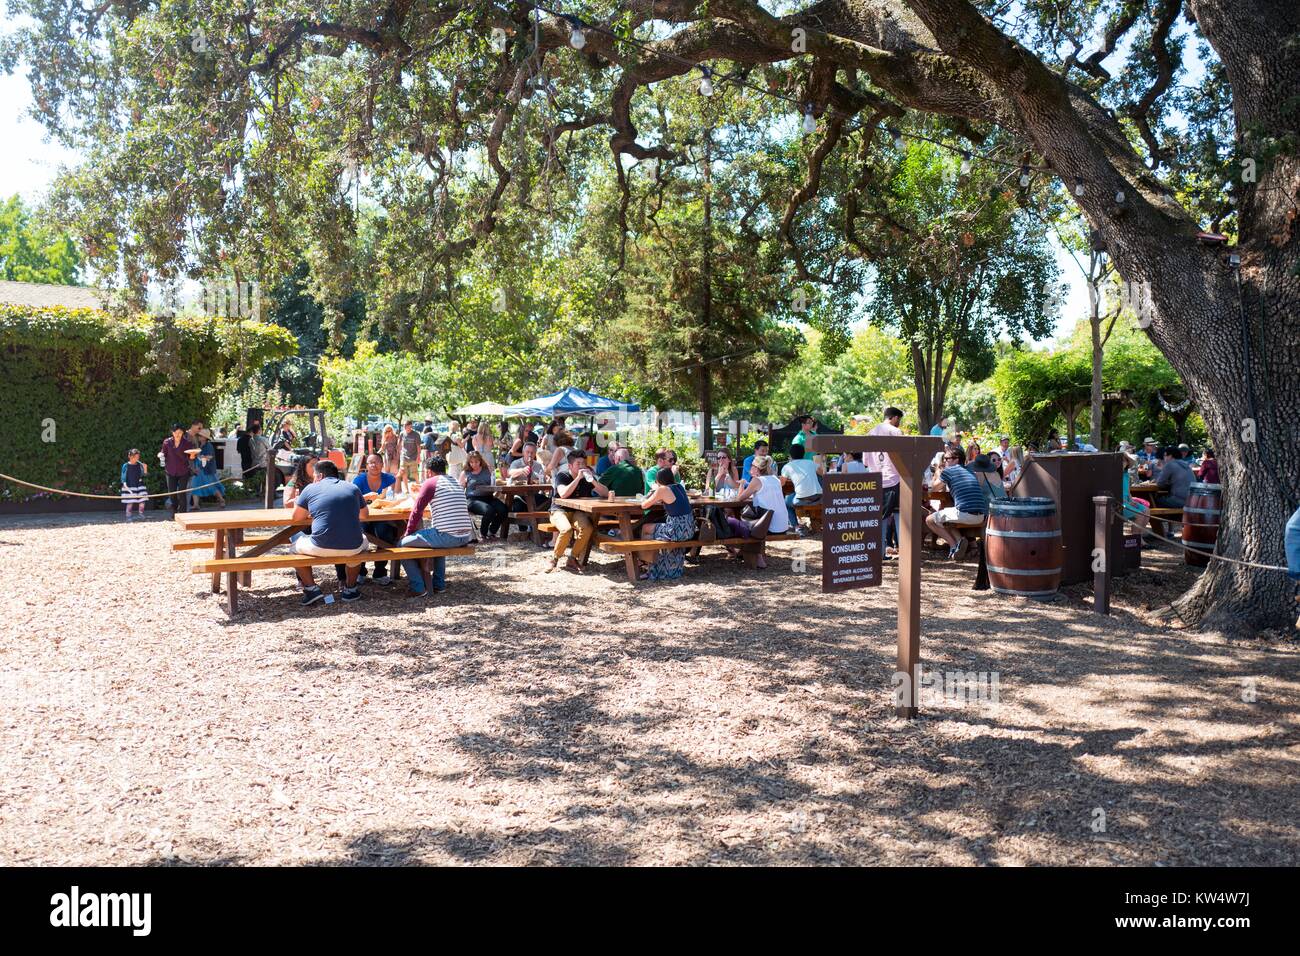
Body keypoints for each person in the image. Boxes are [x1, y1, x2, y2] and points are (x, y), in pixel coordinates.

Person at [291, 460, 368, 606]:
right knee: (361, 546)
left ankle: (311, 588)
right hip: (352, 546)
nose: (313, 479)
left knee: (294, 547)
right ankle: (350, 589)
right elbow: (364, 515)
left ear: (319, 476)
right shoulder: (353, 487)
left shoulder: (310, 488)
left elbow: (296, 518)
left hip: (320, 546)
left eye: (314, 476)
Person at [399, 456, 474, 597]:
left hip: (448, 536)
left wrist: (407, 532)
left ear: (429, 472)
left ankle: (418, 587)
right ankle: (439, 585)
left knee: (401, 545)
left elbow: (417, 511)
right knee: (438, 544)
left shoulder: (431, 483)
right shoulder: (454, 481)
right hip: (465, 536)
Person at [547, 450, 609, 573]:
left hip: (577, 511)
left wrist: (592, 481)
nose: (582, 466)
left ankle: (572, 558)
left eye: (583, 463)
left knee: (588, 528)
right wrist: (578, 478)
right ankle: (554, 559)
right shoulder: (563, 476)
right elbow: (563, 494)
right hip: (559, 510)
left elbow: (605, 493)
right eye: (578, 463)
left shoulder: (587, 478)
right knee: (566, 530)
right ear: (570, 466)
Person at [636, 467, 698, 581]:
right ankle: (654, 564)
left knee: (646, 528)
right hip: (689, 529)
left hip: (676, 530)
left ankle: (646, 564)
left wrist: (650, 495)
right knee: (654, 526)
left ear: (659, 480)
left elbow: (644, 505)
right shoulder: (679, 487)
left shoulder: (662, 489)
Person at [925, 447, 987, 559]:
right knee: (948, 519)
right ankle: (959, 543)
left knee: (929, 520)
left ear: (956, 459)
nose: (944, 461)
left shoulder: (949, 471)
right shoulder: (970, 471)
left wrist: (939, 473)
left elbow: (933, 488)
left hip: (965, 513)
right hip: (981, 515)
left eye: (947, 458)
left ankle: (954, 546)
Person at [348, 454, 400, 584]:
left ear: (382, 464)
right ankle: (360, 571)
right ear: (366, 466)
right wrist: (365, 497)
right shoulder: (359, 480)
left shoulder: (390, 479)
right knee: (358, 536)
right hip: (362, 517)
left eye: (377, 462)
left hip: (382, 516)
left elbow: (397, 497)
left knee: (385, 534)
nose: (373, 465)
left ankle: (380, 572)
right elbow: (352, 499)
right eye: (370, 463)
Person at [727, 456, 784, 566]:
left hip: (767, 525)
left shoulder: (757, 480)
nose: (750, 468)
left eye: (752, 465)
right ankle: (751, 554)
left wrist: (742, 483)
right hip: (781, 524)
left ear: (757, 468)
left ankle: (751, 554)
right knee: (748, 524)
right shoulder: (775, 479)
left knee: (731, 521)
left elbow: (739, 498)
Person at [867, 406, 905, 557]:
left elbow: (866, 460)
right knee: (900, 515)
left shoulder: (871, 433)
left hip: (876, 479)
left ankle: (880, 551)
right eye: (899, 420)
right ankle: (904, 551)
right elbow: (904, 458)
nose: (899, 423)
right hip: (895, 478)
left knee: (880, 516)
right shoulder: (895, 432)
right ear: (894, 417)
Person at [462, 450, 510, 539]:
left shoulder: (487, 470)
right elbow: (460, 489)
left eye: (476, 462)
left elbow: (495, 482)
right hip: (472, 499)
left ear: (480, 461)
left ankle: (492, 531)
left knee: (503, 509)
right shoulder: (465, 473)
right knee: (489, 510)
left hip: (488, 497)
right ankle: (483, 533)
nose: (474, 464)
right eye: (471, 462)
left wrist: (497, 493)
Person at [780, 444, 824, 534]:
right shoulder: (811, 463)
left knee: (785, 502)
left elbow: (782, 483)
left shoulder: (788, 466)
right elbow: (823, 473)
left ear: (790, 455)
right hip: (819, 497)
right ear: (803, 454)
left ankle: (796, 526)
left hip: (802, 499)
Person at [159, 423, 197, 513]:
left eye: (180, 432)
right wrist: (160, 455)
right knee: (172, 494)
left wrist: (192, 456)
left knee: (182, 493)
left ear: (183, 433)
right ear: (172, 432)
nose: (177, 434)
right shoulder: (167, 442)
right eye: (175, 432)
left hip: (183, 471)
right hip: (170, 471)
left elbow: (190, 458)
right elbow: (163, 453)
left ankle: (183, 513)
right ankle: (174, 512)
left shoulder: (187, 443)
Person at [189, 428, 227, 510]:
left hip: (206, 470)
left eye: (200, 435)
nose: (199, 437)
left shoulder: (208, 446)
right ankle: (196, 504)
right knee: (195, 486)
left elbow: (210, 457)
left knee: (211, 487)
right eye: (199, 435)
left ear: (204, 437)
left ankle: (221, 500)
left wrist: (201, 457)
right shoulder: (199, 445)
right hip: (199, 469)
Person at [120, 448, 149, 519]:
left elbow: (144, 475)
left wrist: (145, 469)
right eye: (135, 457)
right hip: (129, 485)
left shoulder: (139, 465)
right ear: (129, 456)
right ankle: (128, 515)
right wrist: (125, 484)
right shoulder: (126, 465)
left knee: (142, 501)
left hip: (139, 485)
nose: (136, 458)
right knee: (130, 502)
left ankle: (141, 514)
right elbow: (123, 476)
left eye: (138, 457)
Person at [398, 421, 422, 491]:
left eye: (409, 427)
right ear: (404, 427)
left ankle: (419, 487)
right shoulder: (402, 434)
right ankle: (406, 490)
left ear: (411, 426)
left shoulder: (416, 434)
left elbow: (418, 447)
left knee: (414, 474)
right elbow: (399, 444)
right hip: (404, 456)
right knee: (404, 473)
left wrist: (418, 457)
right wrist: (399, 453)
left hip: (413, 457)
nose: (408, 429)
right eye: (406, 427)